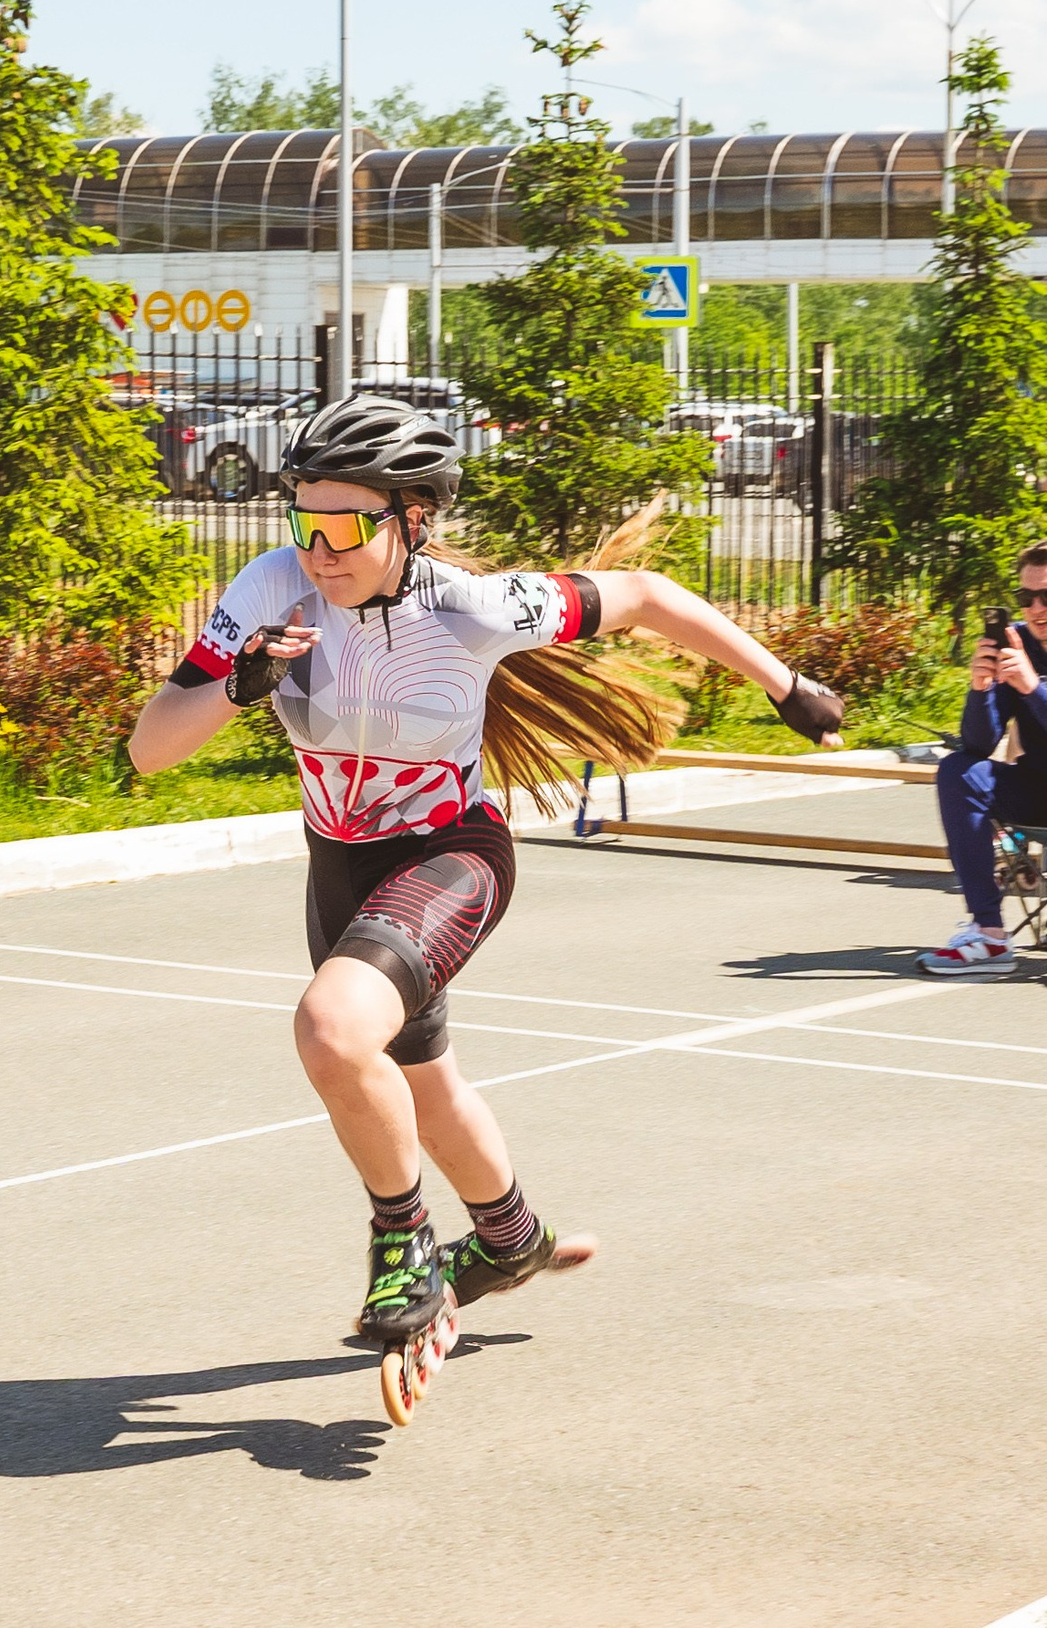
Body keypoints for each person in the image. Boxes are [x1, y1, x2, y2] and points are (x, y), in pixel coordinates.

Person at [128, 394, 845, 1349]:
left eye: (345, 524)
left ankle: (404, 1242)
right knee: (419, 1084)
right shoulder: (268, 592)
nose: (319, 548)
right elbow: (149, 751)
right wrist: (236, 682)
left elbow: (647, 595)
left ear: (413, 519)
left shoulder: (471, 607)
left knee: (333, 1033)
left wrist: (785, 684)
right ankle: (509, 1237)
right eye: (303, 519)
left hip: (450, 853)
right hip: (339, 864)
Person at [918, 544, 1047, 976]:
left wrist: (1033, 689)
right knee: (958, 771)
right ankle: (989, 935)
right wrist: (982, 688)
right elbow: (978, 743)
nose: (1035, 609)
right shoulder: (1017, 642)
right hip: (1037, 786)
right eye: (1026, 598)